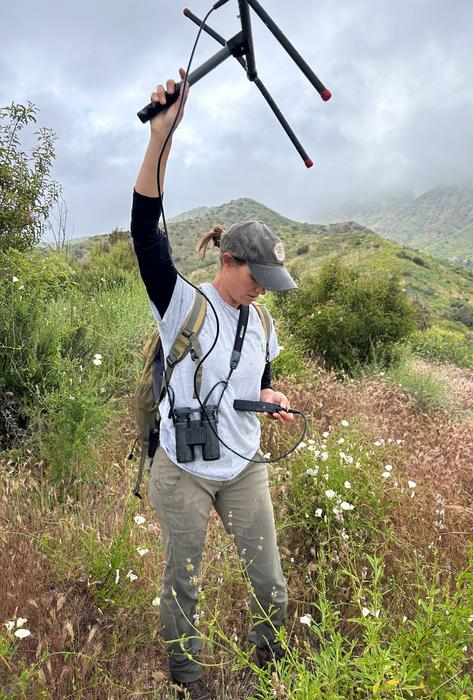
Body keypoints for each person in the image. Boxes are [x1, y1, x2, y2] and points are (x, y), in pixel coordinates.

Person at [130, 69, 297, 700]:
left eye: (267, 281)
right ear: (227, 261)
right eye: (254, 276)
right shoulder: (183, 304)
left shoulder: (262, 321)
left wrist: (272, 400)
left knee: (270, 583)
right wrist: (161, 139)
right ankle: (188, 680)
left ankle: (271, 671)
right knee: (183, 580)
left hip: (243, 465)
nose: (259, 289)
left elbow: (259, 383)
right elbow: (147, 233)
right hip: (182, 467)